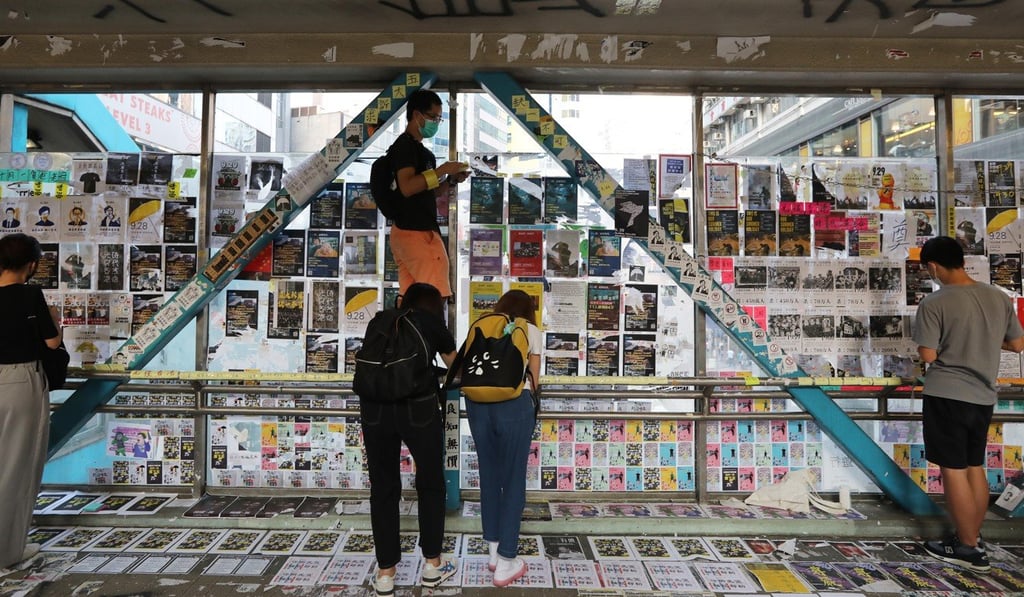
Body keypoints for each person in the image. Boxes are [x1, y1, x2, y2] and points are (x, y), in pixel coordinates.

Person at [913, 236, 1024, 573]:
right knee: (974, 466)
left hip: (947, 394)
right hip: (983, 397)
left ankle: (967, 547)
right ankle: (973, 535)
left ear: (933, 266)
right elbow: (1017, 345)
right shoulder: (998, 296)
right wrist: (984, 344)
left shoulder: (934, 303)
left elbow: (928, 355)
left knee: (953, 470)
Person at [361, 283, 458, 596]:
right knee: (430, 482)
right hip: (417, 409)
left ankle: (386, 572)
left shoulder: (380, 319)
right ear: (434, 305)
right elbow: (454, 365)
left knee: (384, 487)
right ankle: (432, 564)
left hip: (375, 409)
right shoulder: (430, 323)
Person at [464, 289, 541, 587]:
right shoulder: (530, 330)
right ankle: (508, 561)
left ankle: (494, 552)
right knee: (513, 480)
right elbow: (534, 378)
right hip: (514, 406)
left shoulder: (484, 323)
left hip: (477, 405)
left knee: (489, 476)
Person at [0, 233, 62, 569]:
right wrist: (53, 320)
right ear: (32, 265)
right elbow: (52, 343)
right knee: (16, 468)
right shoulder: (29, 295)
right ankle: (7, 551)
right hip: (19, 382)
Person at [389, 89, 469, 301]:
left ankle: (405, 333)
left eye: (439, 118)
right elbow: (407, 187)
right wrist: (442, 170)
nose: (436, 122)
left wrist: (450, 180)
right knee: (434, 296)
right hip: (416, 232)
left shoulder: (424, 154)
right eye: (433, 117)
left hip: (406, 230)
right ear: (417, 115)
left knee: (410, 297)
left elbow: (426, 192)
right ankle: (430, 334)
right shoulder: (404, 147)